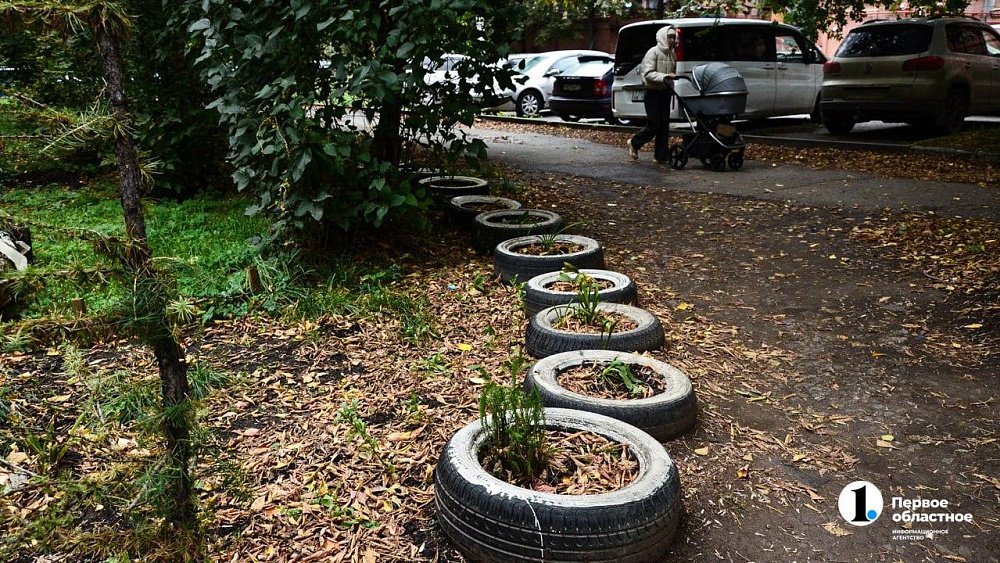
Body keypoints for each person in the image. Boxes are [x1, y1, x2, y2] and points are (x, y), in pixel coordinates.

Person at [628, 26, 678, 164]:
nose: (671, 40)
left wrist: (671, 83)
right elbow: (647, 73)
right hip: (652, 92)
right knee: (654, 123)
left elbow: (672, 73)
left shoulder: (673, 55)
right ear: (662, 37)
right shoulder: (653, 53)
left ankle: (660, 155)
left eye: (673, 37)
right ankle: (634, 142)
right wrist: (665, 76)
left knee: (664, 125)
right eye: (669, 37)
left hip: (664, 92)